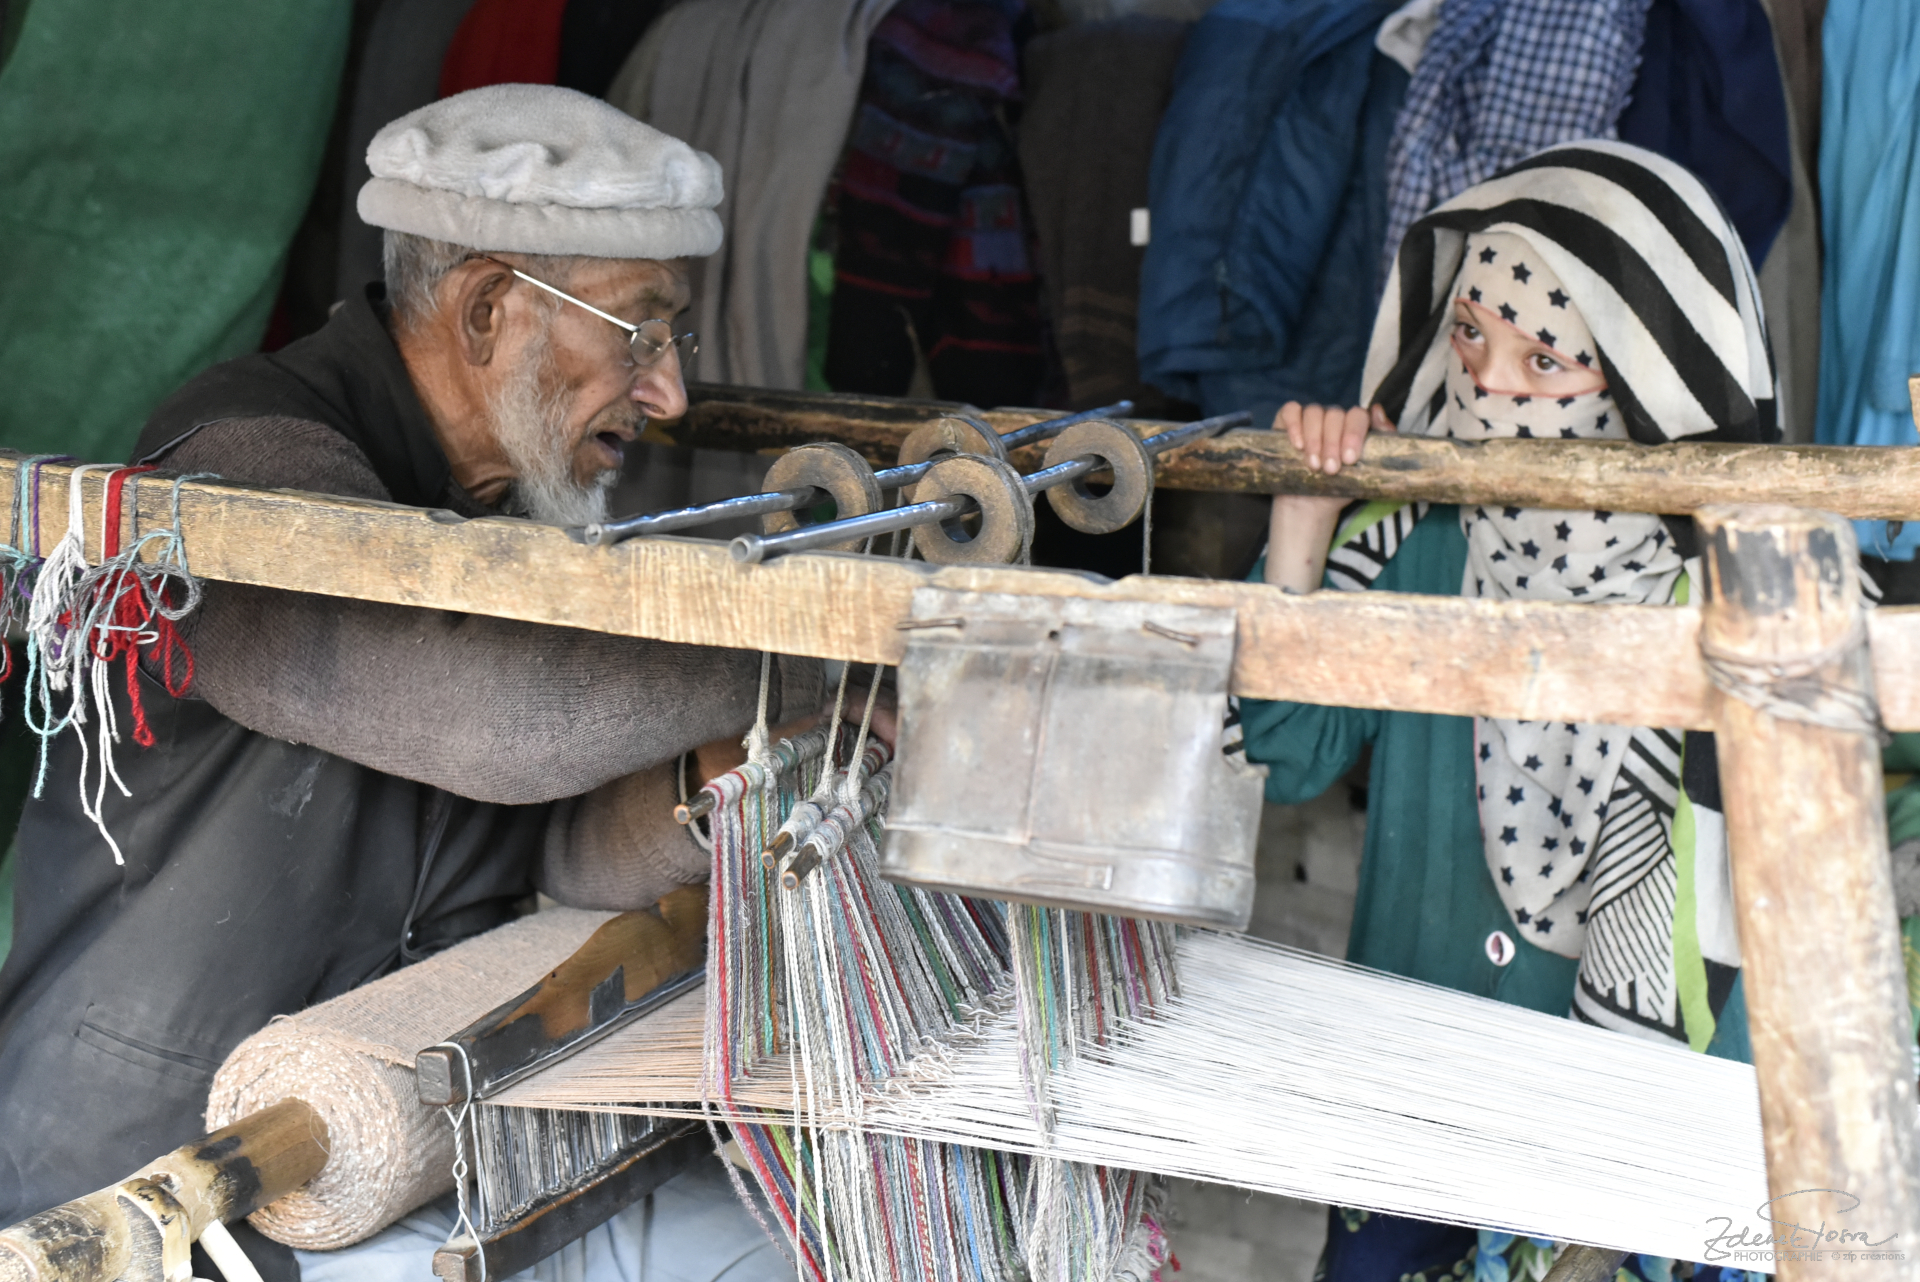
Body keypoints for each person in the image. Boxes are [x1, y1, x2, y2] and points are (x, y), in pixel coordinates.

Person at [0, 84, 868, 1281]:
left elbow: (554, 850)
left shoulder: (507, 508)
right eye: (640, 332)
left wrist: (707, 777)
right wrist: (851, 635)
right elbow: (495, 718)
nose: (666, 393)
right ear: (489, 312)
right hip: (144, 1177)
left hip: (398, 1149)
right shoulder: (236, 460)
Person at [1242, 141, 1781, 1282]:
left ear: (1642, 383)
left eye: (1548, 360)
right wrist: (1304, 517)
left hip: (1648, 1135)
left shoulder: (1732, 598)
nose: (1491, 386)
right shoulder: (1422, 539)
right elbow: (1286, 757)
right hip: (1414, 1095)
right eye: (1473, 335)